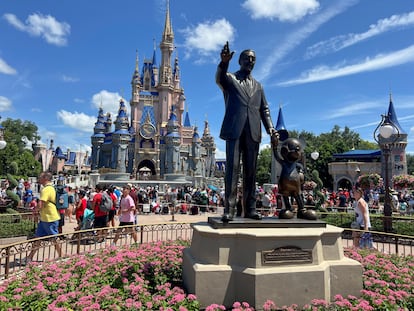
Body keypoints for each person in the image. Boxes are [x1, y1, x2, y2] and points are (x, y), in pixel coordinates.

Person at [216, 41, 278, 221]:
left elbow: (264, 109)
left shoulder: (258, 86)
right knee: (232, 170)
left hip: (253, 131)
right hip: (234, 130)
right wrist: (223, 62)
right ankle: (229, 209)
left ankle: (250, 208)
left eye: (253, 59)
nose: (251, 61)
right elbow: (219, 78)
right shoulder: (230, 79)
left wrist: (271, 129)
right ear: (240, 61)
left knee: (251, 171)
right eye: (247, 58)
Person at [23, 172, 63, 264]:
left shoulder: (46, 189)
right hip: (45, 217)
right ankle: (29, 257)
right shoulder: (50, 188)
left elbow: (41, 203)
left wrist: (35, 211)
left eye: (40, 177)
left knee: (54, 237)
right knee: (38, 238)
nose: (38, 178)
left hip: (50, 217)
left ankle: (62, 255)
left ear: (45, 178)